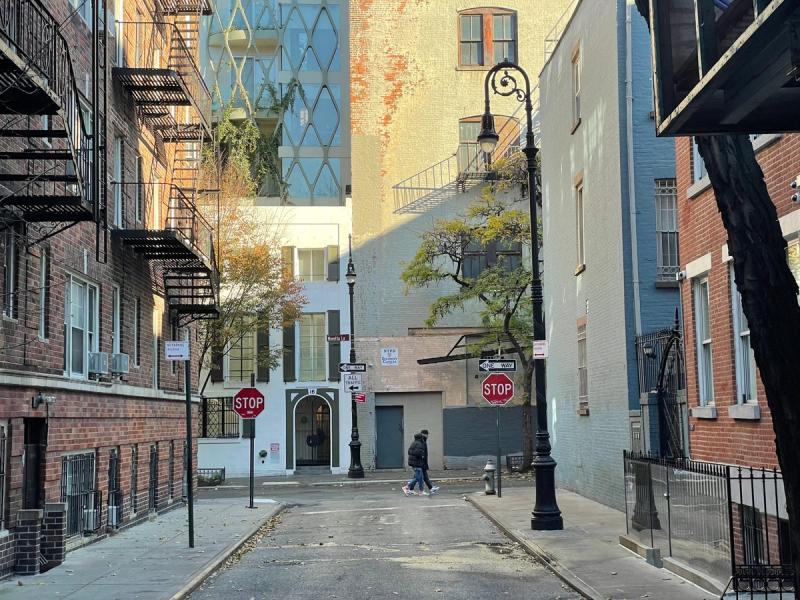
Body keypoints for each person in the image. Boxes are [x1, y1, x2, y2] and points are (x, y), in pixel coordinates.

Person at [419, 429, 440, 494]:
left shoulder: (423, 440)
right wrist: (423, 460)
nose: (428, 436)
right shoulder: (422, 441)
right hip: (421, 462)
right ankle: (408, 487)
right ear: (424, 434)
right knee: (418, 477)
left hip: (422, 462)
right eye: (427, 434)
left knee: (423, 476)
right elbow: (422, 452)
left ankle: (430, 488)